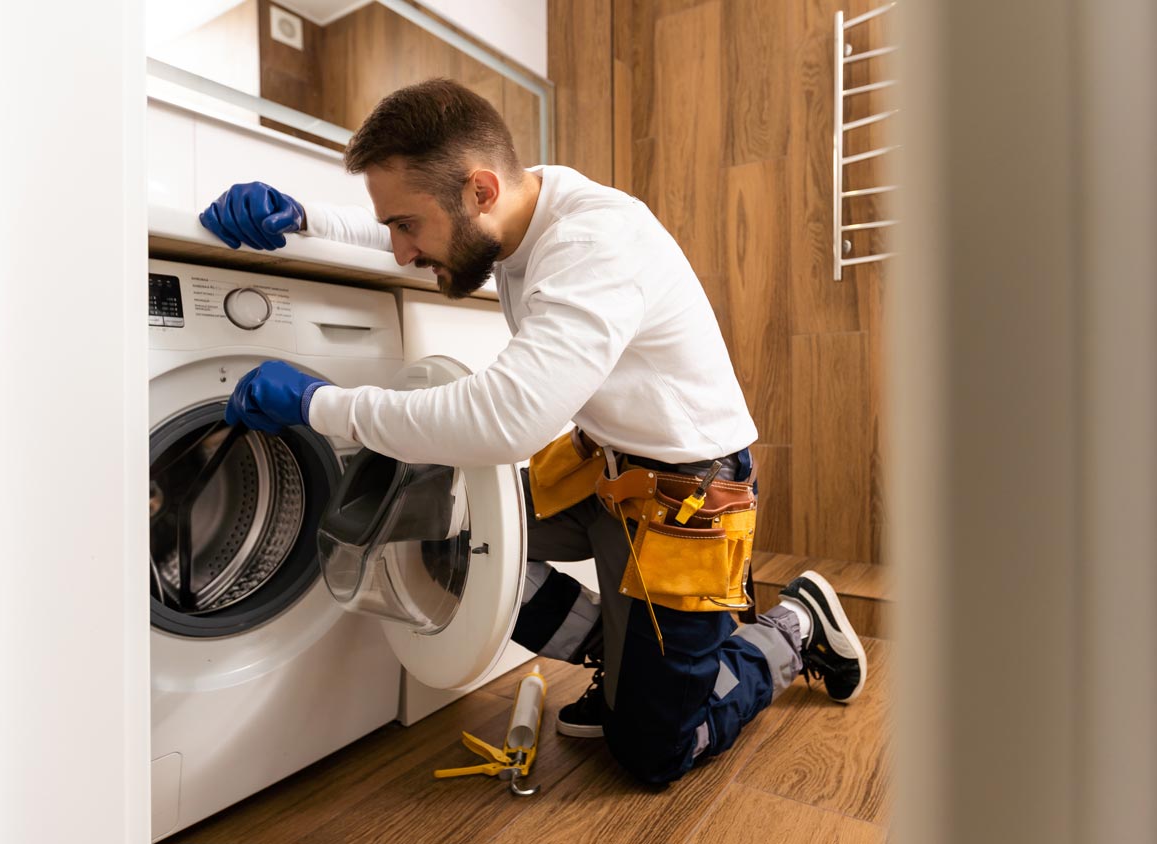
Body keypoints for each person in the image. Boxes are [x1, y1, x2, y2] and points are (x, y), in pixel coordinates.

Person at [201, 79, 868, 784]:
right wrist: (303, 217)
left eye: (406, 227)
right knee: (424, 528)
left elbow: (502, 420)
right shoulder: (519, 212)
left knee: (653, 753)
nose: (399, 251)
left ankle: (793, 626)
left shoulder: (595, 242)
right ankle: (620, 659)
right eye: (394, 226)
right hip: (601, 470)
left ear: (480, 191)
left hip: (686, 499)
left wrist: (317, 404)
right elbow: (428, 227)